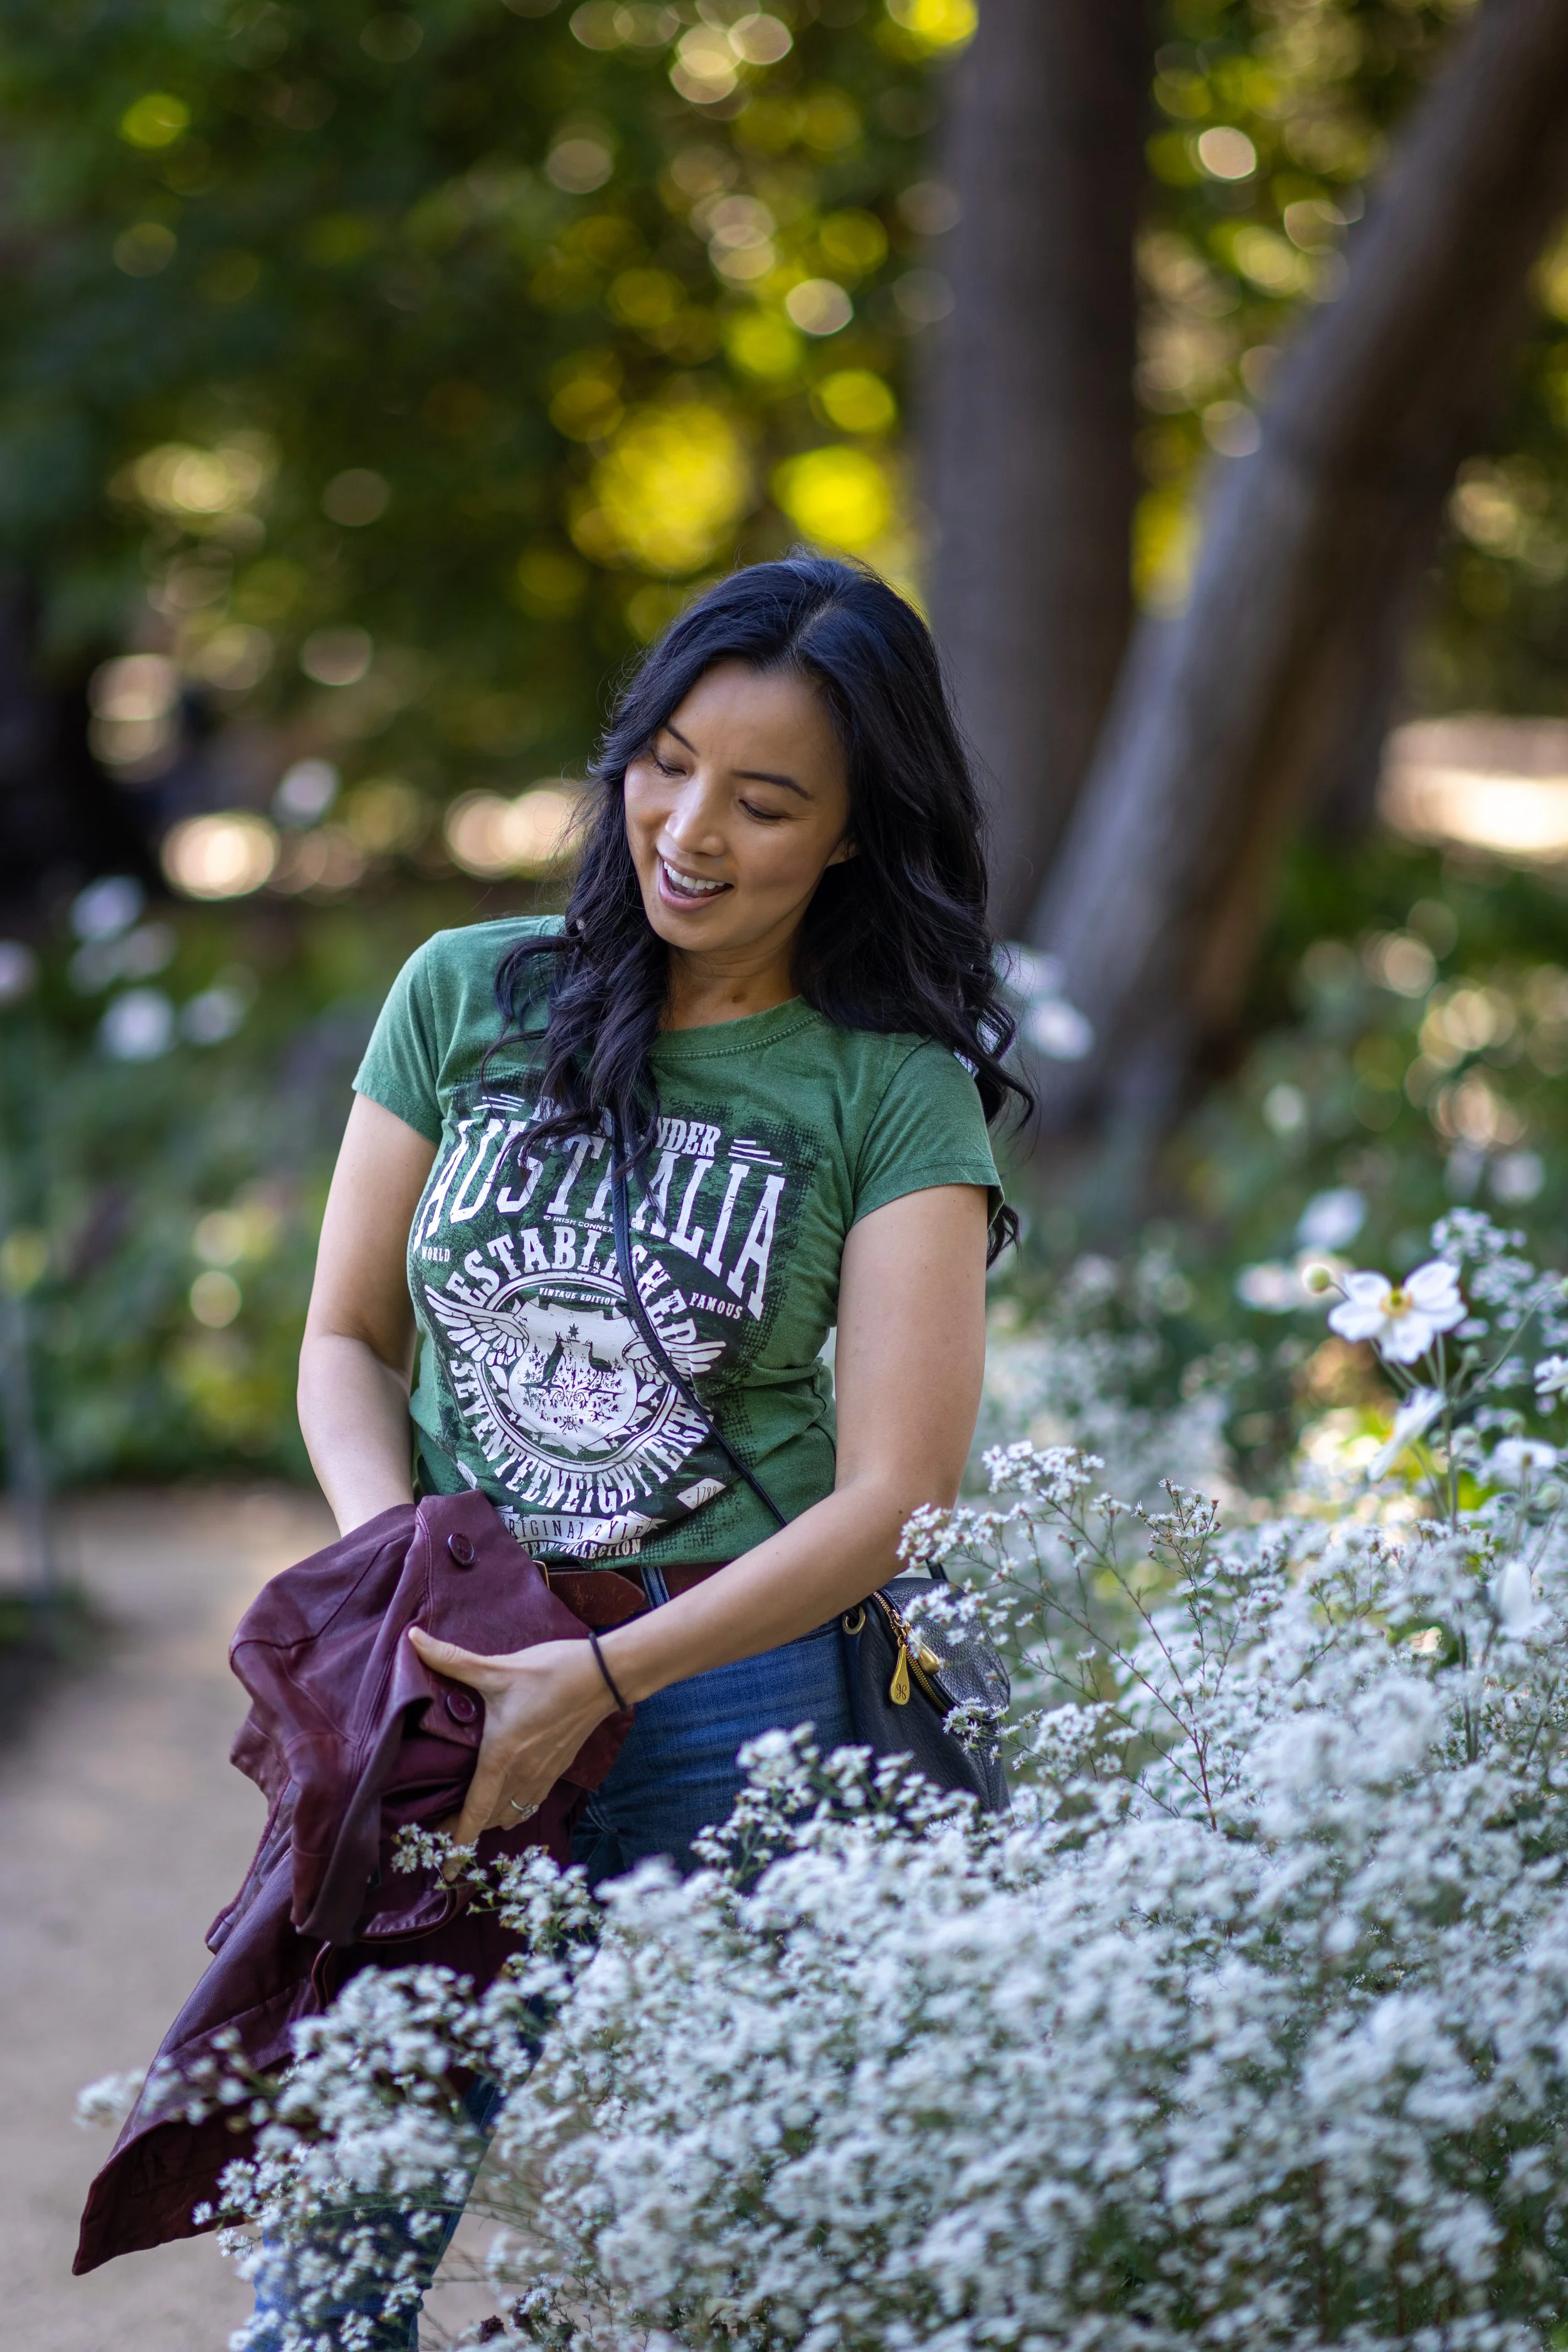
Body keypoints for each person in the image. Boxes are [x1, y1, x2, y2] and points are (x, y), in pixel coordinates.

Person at [259, 552, 1029, 2346]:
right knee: (344, 2223)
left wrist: (603, 1670)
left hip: (729, 1699)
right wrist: (408, 1583)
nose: (690, 829)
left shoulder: (884, 1083)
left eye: (764, 802)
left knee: (730, 2246)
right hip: (450, 1675)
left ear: (849, 833)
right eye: (665, 762)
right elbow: (341, 1338)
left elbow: (897, 1489)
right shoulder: (466, 993)